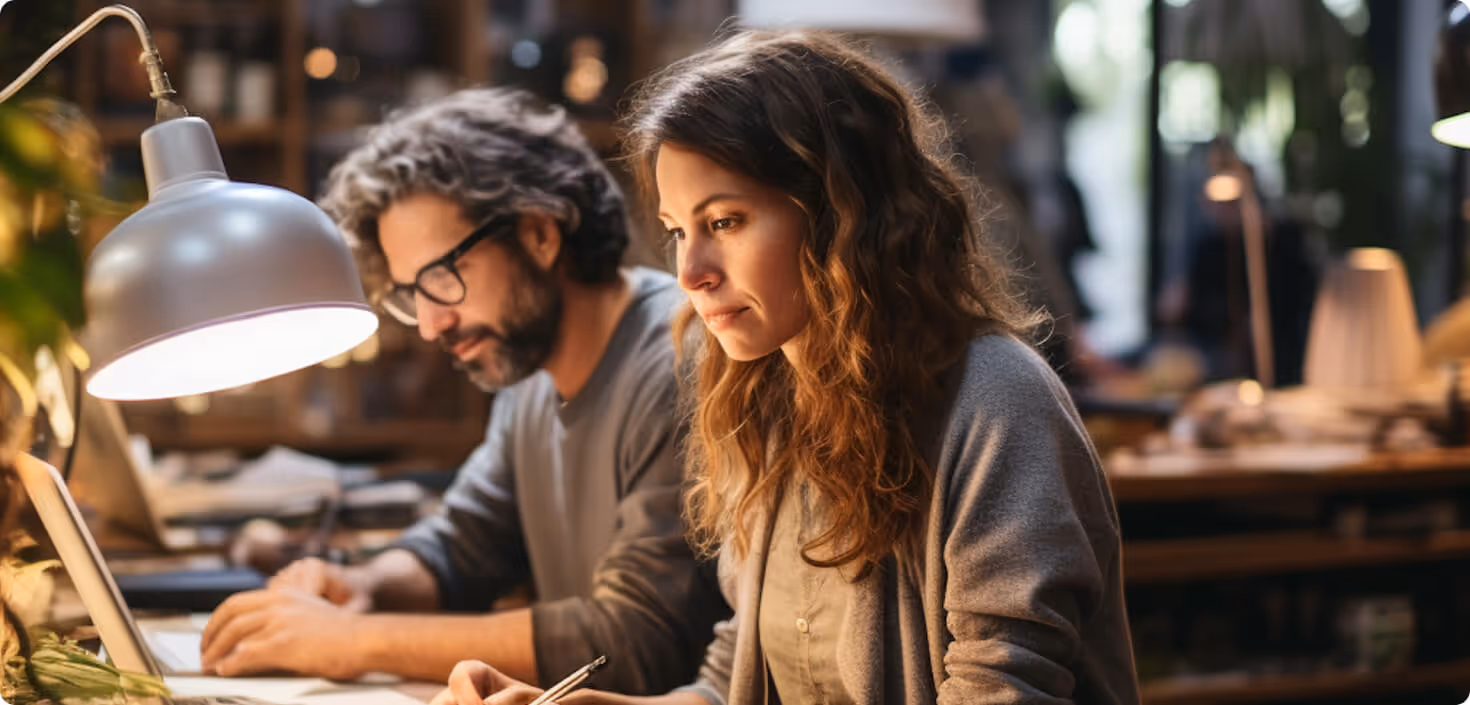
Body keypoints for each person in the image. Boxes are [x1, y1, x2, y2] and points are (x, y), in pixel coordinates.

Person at [433, 31, 1140, 705]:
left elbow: (1004, 688)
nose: (691, 272)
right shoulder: (765, 400)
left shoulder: (995, 402)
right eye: (680, 230)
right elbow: (734, 680)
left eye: (726, 222)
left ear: (839, 212)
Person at [198, 88, 729, 694]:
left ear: (538, 234)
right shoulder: (530, 381)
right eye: (410, 295)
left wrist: (346, 642)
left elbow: (636, 639)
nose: (429, 325)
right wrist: (366, 588)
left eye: (441, 278)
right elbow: (464, 544)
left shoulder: (679, 358)